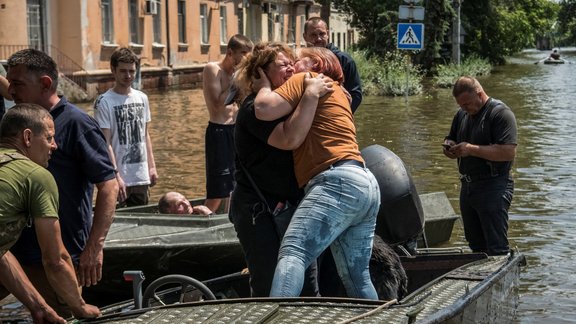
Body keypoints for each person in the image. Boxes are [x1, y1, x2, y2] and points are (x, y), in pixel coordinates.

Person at [253, 46, 381, 299]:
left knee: (293, 252)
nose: (292, 66)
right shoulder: (340, 93)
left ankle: (278, 315)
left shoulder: (308, 79)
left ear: (316, 64)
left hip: (336, 181)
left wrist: (262, 86)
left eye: (298, 61)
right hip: (366, 183)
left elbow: (264, 109)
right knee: (357, 276)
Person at [7, 49, 119, 317]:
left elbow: (109, 185)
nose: (10, 90)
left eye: (18, 84)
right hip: (13, 251)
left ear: (45, 84)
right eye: (9, 82)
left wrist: (94, 247)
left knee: (61, 316)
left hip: (59, 256)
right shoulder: (15, 122)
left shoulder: (77, 124)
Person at [230, 41, 332, 297]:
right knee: (267, 282)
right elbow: (289, 139)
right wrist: (310, 93)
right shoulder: (255, 109)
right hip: (259, 210)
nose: (290, 69)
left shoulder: (289, 103)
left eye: (291, 64)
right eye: (282, 65)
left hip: (292, 204)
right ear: (260, 73)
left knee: (308, 284)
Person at [0, 103, 101, 321]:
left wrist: (38, 307)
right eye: (48, 138)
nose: (54, 146)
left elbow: (2, 253)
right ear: (27, 137)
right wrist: (80, 307)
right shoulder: (36, 176)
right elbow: (55, 260)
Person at [443, 76, 517, 256]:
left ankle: (501, 279)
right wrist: (449, 147)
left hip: (494, 185)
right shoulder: (462, 114)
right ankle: (480, 278)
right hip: (468, 186)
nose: (464, 108)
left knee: (496, 245)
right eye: (461, 105)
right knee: (475, 243)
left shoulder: (500, 113)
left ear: (479, 94)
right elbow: (450, 137)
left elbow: (508, 152)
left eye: (467, 104)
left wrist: (471, 150)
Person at [94, 47, 158, 207]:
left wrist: (152, 167)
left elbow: (145, 135)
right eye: (123, 71)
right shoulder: (104, 102)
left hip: (140, 176)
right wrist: (115, 175)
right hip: (118, 178)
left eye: (131, 71)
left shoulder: (142, 98)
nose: (128, 76)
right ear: (113, 70)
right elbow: (105, 142)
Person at [202, 34, 253, 213]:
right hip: (219, 131)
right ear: (230, 53)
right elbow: (218, 103)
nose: (247, 58)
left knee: (238, 182)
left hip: (237, 130)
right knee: (219, 186)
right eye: (244, 53)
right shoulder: (212, 69)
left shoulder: (239, 75)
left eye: (249, 53)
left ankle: (231, 220)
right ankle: (204, 219)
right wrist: (237, 80)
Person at [303, 17, 362, 113]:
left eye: (322, 34)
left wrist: (340, 115)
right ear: (305, 37)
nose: (318, 39)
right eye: (313, 35)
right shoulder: (300, 61)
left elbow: (356, 95)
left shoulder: (344, 60)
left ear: (328, 34)